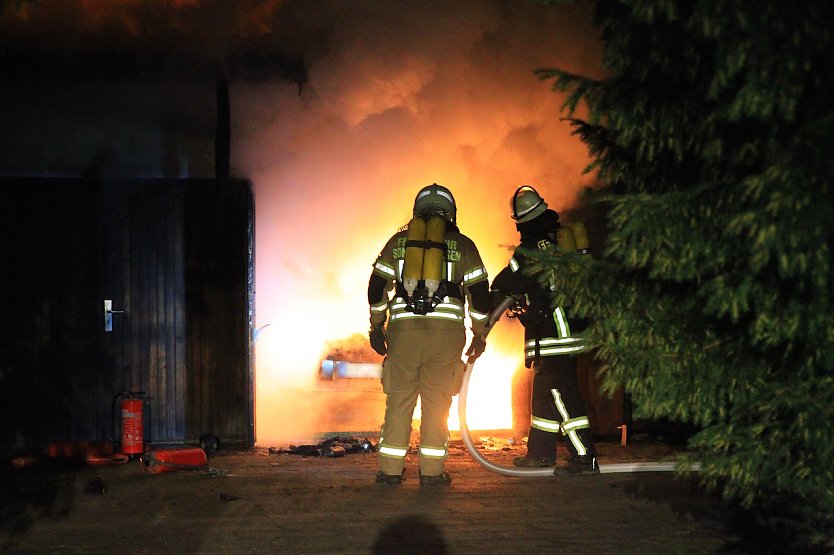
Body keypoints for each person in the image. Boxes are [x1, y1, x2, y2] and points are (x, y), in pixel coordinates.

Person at [367, 183, 491, 486]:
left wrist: (376, 326)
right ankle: (433, 474)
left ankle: (390, 471)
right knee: (437, 404)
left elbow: (375, 289)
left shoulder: (398, 243)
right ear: (451, 212)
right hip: (445, 337)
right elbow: (480, 296)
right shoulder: (464, 246)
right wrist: (479, 334)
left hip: (403, 334)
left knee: (398, 402)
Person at [491, 185, 599, 475]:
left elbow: (503, 283)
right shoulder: (562, 241)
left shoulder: (528, 252)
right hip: (573, 330)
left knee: (563, 394)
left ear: (520, 221)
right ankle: (540, 453)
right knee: (544, 392)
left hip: (553, 337)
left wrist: (502, 304)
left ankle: (583, 456)